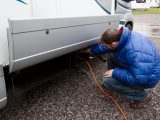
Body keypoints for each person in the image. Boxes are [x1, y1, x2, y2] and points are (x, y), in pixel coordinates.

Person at [84, 27, 160, 109]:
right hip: (140, 70)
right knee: (111, 53)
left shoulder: (135, 53)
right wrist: (89, 51)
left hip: (148, 78)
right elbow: (105, 47)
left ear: (114, 44)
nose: (105, 47)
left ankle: (139, 95)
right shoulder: (122, 37)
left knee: (108, 81)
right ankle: (115, 78)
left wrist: (115, 72)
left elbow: (139, 78)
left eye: (107, 45)